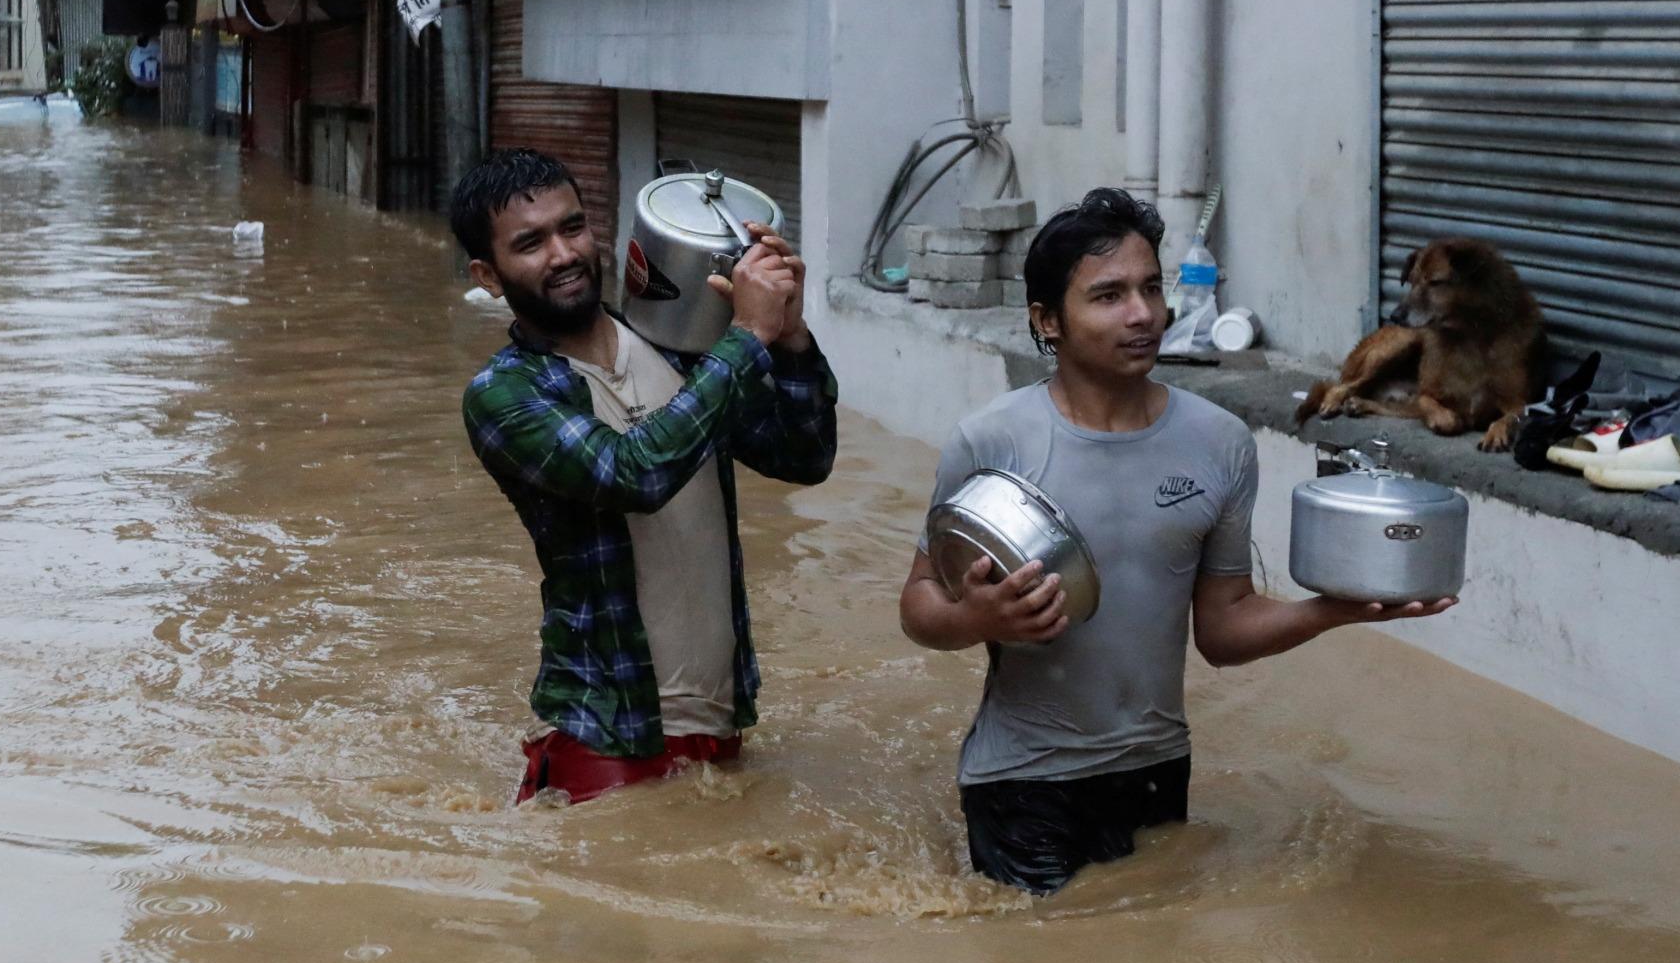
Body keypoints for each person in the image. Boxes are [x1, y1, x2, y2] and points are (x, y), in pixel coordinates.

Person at [899, 188, 1456, 894]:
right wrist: (974, 617)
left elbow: (1221, 628)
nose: (1143, 314)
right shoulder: (993, 439)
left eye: (1151, 287)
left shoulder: (1218, 443)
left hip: (1157, 768)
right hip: (1021, 778)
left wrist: (1336, 608)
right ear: (1048, 320)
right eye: (1108, 295)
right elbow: (919, 600)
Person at [454, 148, 838, 805]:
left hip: (721, 719)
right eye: (531, 242)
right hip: (605, 732)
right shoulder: (504, 394)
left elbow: (804, 457)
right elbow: (634, 471)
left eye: (572, 227)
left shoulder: (678, 344)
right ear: (489, 275)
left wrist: (792, 337)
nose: (563, 253)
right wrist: (746, 334)